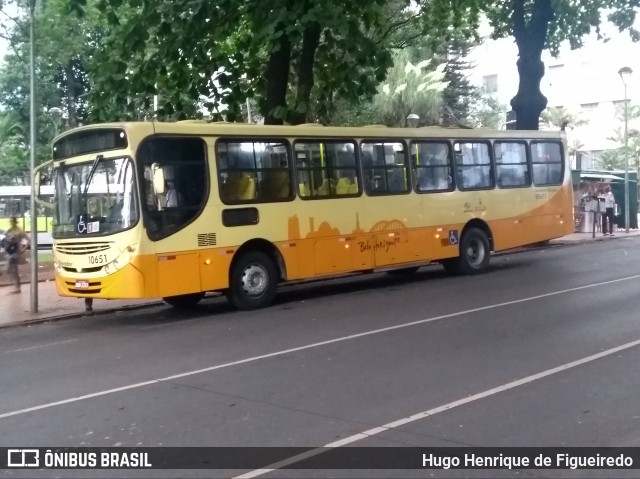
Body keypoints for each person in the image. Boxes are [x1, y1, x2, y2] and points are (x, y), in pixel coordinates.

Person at [3, 217, 28, 294]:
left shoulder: (19, 231)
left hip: (16, 252)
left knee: (13, 270)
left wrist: (23, 249)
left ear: (15, 222)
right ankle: (17, 286)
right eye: (10, 221)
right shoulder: (9, 230)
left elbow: (28, 240)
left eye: (12, 221)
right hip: (9, 253)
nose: (11, 223)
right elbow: (6, 241)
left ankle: (17, 287)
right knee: (9, 270)